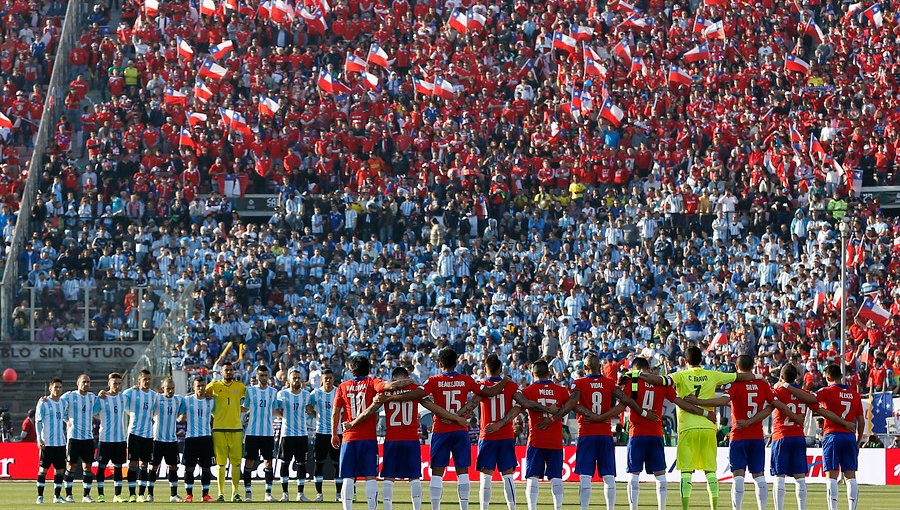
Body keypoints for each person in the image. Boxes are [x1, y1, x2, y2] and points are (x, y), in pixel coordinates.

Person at [375, 348, 510, 510]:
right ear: (456, 363)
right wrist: (505, 381)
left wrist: (390, 397)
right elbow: (489, 392)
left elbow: (415, 394)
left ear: (440, 364)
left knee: (437, 472)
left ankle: (435, 508)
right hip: (460, 430)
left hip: (440, 430)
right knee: (462, 472)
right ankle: (464, 508)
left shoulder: (434, 380)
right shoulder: (466, 380)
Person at [636, 345, 762, 510]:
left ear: (686, 360)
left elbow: (660, 381)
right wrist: (759, 376)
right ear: (701, 360)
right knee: (710, 472)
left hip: (688, 428)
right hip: (708, 427)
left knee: (686, 472)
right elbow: (740, 377)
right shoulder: (712, 374)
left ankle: (685, 508)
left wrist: (637, 374)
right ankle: (714, 508)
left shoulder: (680, 375)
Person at [686, 355, 804, 510]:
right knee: (759, 477)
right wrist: (753, 420)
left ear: (737, 367)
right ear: (752, 367)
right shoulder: (763, 385)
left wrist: (698, 401)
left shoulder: (735, 384)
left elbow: (722, 401)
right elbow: (773, 407)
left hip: (739, 435)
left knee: (738, 477)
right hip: (756, 437)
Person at [350, 365, 464, 510]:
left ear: (393, 378)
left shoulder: (386, 391)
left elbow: (370, 411)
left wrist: (353, 423)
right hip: (411, 439)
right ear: (407, 375)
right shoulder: (415, 388)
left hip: (392, 438)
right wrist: (454, 417)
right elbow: (431, 406)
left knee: (389, 478)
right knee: (414, 478)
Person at [618, 356, 716, 510]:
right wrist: (704, 413)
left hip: (637, 433)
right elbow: (682, 403)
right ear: (648, 369)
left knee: (633, 474)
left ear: (634, 369)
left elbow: (622, 405)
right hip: (656, 434)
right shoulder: (660, 384)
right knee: (661, 476)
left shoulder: (632, 382)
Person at [565, 352, 656, 510]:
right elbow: (626, 401)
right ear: (600, 366)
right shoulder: (610, 383)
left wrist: (590, 414)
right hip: (605, 433)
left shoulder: (578, 383)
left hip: (586, 433)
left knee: (585, 476)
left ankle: (584, 508)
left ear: (585, 367)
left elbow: (572, 403)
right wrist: (604, 416)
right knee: (608, 476)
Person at [469, 354, 553, 510]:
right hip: (506, 435)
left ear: (485, 368)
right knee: (507, 475)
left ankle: (484, 508)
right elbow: (526, 403)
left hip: (487, 435)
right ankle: (512, 508)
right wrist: (547, 409)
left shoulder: (481, 386)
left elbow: (471, 406)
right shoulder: (511, 386)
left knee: (486, 476)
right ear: (501, 369)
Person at [778, 364, 865, 510]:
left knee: (831, 475)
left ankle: (833, 508)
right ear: (841, 376)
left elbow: (808, 398)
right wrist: (857, 441)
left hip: (832, 435)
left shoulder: (826, 391)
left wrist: (786, 385)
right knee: (851, 476)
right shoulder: (855, 395)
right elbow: (861, 421)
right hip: (849, 437)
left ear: (828, 377)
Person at [332, 355, 409, 510]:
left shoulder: (343, 386)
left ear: (351, 370)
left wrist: (334, 433)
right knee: (370, 476)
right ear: (368, 369)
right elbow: (388, 386)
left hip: (348, 437)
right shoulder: (372, 382)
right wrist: (406, 381)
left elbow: (335, 412)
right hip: (368, 438)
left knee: (348, 475)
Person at [520, 359, 570, 510]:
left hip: (536, 440)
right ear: (549, 372)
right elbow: (569, 407)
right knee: (556, 477)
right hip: (555, 440)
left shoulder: (527, 391)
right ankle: (558, 508)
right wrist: (554, 418)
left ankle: (532, 508)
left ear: (532, 373)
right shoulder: (561, 391)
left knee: (532, 477)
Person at [206, 361, 247, 502]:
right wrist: (213, 413)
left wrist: (243, 409)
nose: (229, 372)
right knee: (221, 464)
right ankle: (220, 494)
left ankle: (235, 493)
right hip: (219, 428)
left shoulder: (240, 387)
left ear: (233, 371)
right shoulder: (214, 386)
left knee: (236, 463)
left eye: (231, 370)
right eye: (226, 370)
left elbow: (249, 401)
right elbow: (202, 395)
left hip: (236, 428)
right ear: (221, 372)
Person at [275, 368, 313, 502]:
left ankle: (300, 494)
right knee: (284, 464)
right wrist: (283, 417)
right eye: (294, 378)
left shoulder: (306, 395)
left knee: (301, 464)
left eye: (298, 377)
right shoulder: (282, 394)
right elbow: (274, 409)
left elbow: (310, 410)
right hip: (287, 435)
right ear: (288, 380)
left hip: (302, 434)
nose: (296, 380)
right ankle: (285, 494)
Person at [242, 365, 279, 502]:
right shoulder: (250, 391)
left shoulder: (273, 392)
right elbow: (245, 408)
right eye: (261, 375)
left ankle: (268, 494)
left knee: (268, 462)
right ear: (257, 376)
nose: (263, 378)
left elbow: (275, 411)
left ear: (268, 376)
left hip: (268, 433)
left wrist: (286, 417)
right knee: (250, 461)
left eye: (265, 375)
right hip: (252, 432)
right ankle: (248, 494)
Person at [60, 373, 98, 503]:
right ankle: (69, 495)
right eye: (83, 381)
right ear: (77, 383)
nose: (86, 384)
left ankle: (86, 495)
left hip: (88, 438)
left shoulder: (92, 397)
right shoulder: (69, 396)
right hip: (73, 437)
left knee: (87, 467)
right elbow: (58, 404)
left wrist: (105, 394)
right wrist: (66, 420)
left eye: (88, 382)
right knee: (71, 466)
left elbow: (101, 406)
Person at [122, 369, 158, 502]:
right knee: (133, 464)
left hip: (148, 435)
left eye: (149, 379)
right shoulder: (131, 392)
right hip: (134, 434)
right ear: (139, 380)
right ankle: (132, 494)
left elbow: (155, 411)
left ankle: (141, 495)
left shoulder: (154, 395)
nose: (147, 381)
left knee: (144, 464)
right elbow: (120, 401)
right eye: (145, 379)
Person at [180, 376, 215, 503]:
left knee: (206, 468)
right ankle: (189, 495)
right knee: (189, 468)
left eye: (202, 386)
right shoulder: (187, 400)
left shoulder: (211, 401)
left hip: (206, 438)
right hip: (191, 438)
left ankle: (205, 495)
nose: (201, 388)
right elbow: (180, 414)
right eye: (198, 386)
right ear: (193, 387)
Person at [148, 377, 183, 502]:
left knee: (173, 467)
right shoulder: (157, 398)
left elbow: (189, 399)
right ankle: (150, 495)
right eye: (168, 388)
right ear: (163, 389)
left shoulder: (178, 399)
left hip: (172, 440)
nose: (171, 391)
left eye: (173, 388)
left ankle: (173, 495)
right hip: (157, 439)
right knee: (153, 467)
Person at [93, 372, 127, 503]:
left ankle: (117, 496)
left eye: (119, 384)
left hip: (120, 439)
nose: (117, 386)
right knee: (101, 467)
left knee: (118, 468)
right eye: (114, 384)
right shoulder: (102, 398)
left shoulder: (124, 397)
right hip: (105, 439)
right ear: (109, 384)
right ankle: (101, 495)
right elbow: (93, 412)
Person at [309, 368, 341, 501]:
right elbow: (308, 407)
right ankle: (319, 494)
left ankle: (339, 494)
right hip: (321, 433)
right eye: (325, 378)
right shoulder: (315, 393)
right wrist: (315, 416)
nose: (328, 380)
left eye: (330, 378)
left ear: (333, 379)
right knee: (319, 463)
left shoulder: (339, 391)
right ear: (321, 379)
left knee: (337, 464)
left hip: (336, 433)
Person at [35, 378, 67, 504]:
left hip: (60, 443)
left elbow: (65, 416)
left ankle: (57, 497)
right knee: (43, 470)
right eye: (55, 387)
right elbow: (38, 421)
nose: (58, 389)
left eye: (60, 387)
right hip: (47, 442)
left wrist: (69, 422)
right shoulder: (44, 402)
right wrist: (39, 439)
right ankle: (40, 497)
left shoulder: (63, 403)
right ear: (50, 388)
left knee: (59, 470)